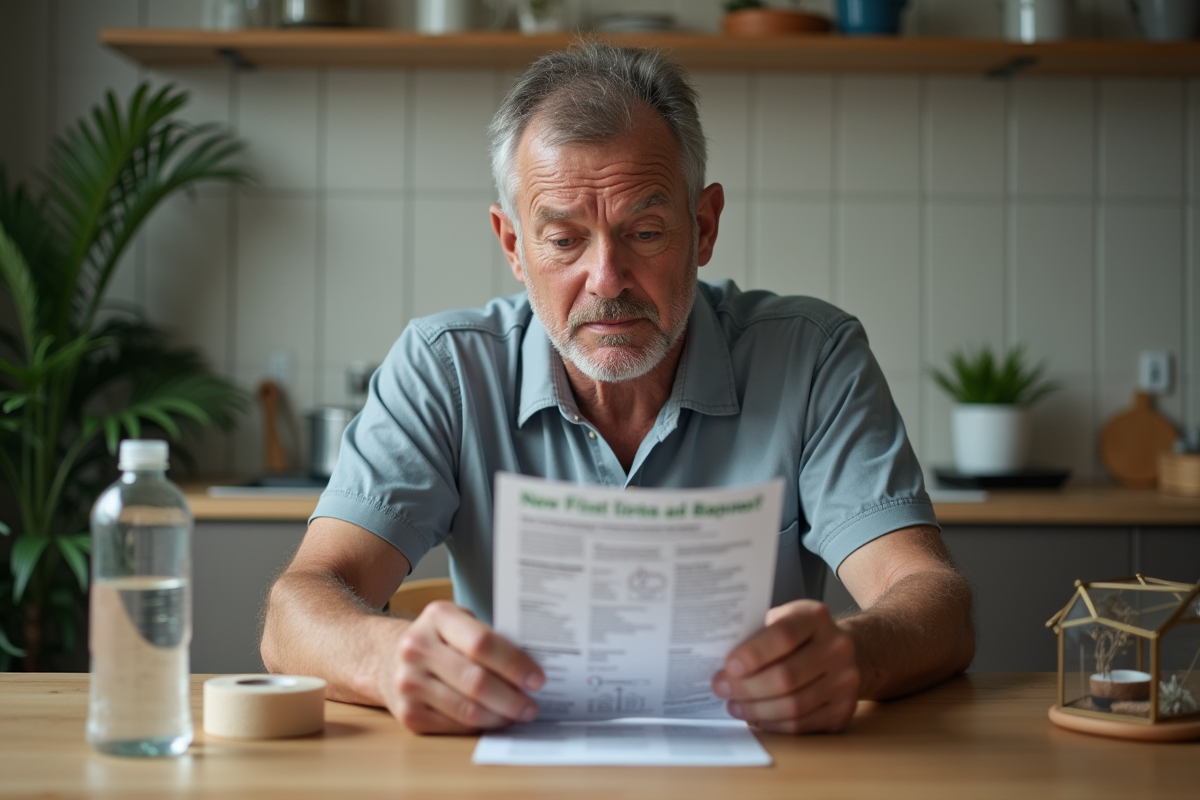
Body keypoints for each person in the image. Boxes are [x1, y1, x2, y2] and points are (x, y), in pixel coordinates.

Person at [261, 42, 974, 736]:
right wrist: (385, 659)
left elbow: (936, 601)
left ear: (703, 228)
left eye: (646, 232)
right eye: (564, 240)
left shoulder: (812, 357)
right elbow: (296, 608)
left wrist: (856, 654)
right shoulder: (443, 369)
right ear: (513, 245)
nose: (606, 281)